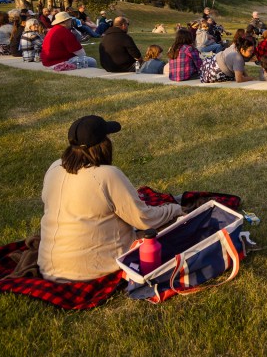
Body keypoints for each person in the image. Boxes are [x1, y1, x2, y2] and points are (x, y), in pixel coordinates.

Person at [37, 115, 183, 282]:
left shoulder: (54, 167)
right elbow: (145, 219)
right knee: (174, 225)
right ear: (103, 145)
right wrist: (174, 209)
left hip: (48, 265)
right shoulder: (107, 175)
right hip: (91, 269)